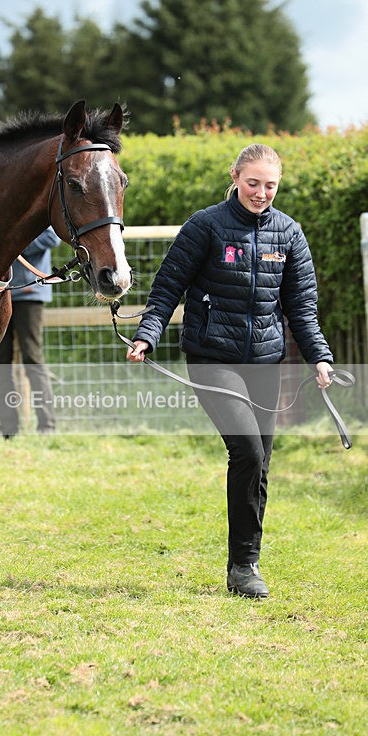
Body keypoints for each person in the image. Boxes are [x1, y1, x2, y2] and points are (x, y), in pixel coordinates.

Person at [127, 144, 334, 598]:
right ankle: (244, 567)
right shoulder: (205, 225)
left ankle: (245, 562)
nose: (261, 193)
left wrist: (320, 355)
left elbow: (302, 307)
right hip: (212, 358)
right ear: (236, 177)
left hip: (265, 361)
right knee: (248, 453)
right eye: (253, 182)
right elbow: (168, 286)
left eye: (270, 185)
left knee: (260, 462)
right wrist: (147, 334)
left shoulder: (289, 233)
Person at [0, 227, 61, 437]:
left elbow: (52, 237)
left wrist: (14, 243)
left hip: (31, 291)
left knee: (32, 358)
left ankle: (47, 426)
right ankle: (8, 428)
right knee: (0, 362)